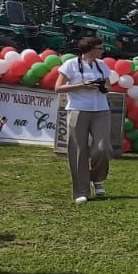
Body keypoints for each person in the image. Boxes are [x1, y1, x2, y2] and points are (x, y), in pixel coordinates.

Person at [55, 37, 114, 203]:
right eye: (99, 48)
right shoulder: (70, 64)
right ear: (89, 49)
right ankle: (81, 191)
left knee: (103, 148)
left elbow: (109, 86)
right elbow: (58, 88)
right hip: (78, 110)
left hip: (101, 110)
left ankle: (97, 178)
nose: (102, 51)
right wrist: (82, 86)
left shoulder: (102, 65)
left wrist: (101, 86)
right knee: (78, 151)